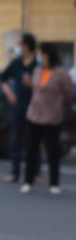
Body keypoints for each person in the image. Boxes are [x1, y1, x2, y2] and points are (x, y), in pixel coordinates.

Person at [20, 43, 74, 195]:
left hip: (52, 118)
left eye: (43, 54)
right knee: (31, 149)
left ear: (49, 55)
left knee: (52, 151)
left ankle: (54, 183)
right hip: (34, 115)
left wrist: (59, 105)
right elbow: (35, 88)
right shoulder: (37, 70)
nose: (41, 57)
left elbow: (69, 94)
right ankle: (28, 180)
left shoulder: (61, 73)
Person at [2, 33, 37, 184]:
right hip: (18, 106)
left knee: (33, 139)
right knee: (15, 139)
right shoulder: (16, 63)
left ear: (27, 46)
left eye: (20, 44)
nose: (18, 47)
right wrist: (9, 93)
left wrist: (32, 84)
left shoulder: (37, 65)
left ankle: (35, 172)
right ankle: (15, 172)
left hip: (34, 106)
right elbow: (3, 78)